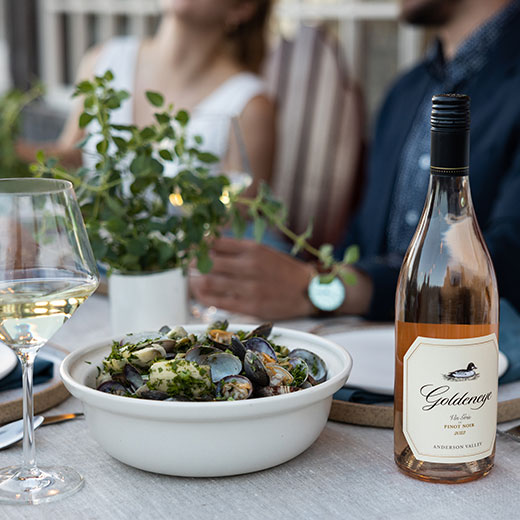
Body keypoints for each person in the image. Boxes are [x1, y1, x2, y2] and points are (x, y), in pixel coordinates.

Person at [191, 0, 520, 320]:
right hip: (371, 341)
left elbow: (507, 261)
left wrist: (320, 290)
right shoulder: (405, 92)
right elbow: (362, 241)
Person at [16, 0, 275, 193]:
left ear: (243, 8)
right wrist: (10, 151)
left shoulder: (249, 105)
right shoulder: (104, 60)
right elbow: (72, 157)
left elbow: (240, 222)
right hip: (99, 250)